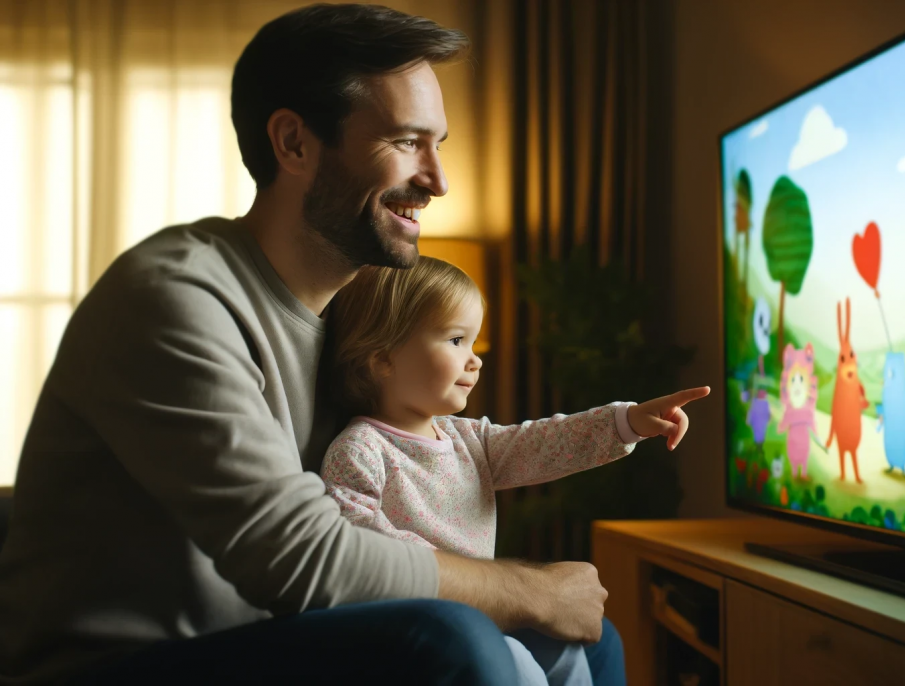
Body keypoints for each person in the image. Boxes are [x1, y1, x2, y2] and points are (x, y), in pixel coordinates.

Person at [0, 4, 632, 685]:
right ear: (294, 144)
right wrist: (526, 589)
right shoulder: (176, 299)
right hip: (115, 667)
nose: (437, 180)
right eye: (405, 142)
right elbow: (302, 559)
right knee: (449, 636)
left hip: (270, 640)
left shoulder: (353, 325)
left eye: (438, 143)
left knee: (590, 639)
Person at [320, 258, 709, 686]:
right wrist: (457, 572)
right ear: (383, 360)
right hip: (428, 623)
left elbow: (544, 443)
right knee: (516, 663)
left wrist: (629, 421)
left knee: (566, 647)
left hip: (491, 610)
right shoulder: (359, 450)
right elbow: (356, 541)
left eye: (473, 342)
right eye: (455, 340)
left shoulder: (469, 440)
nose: (475, 361)